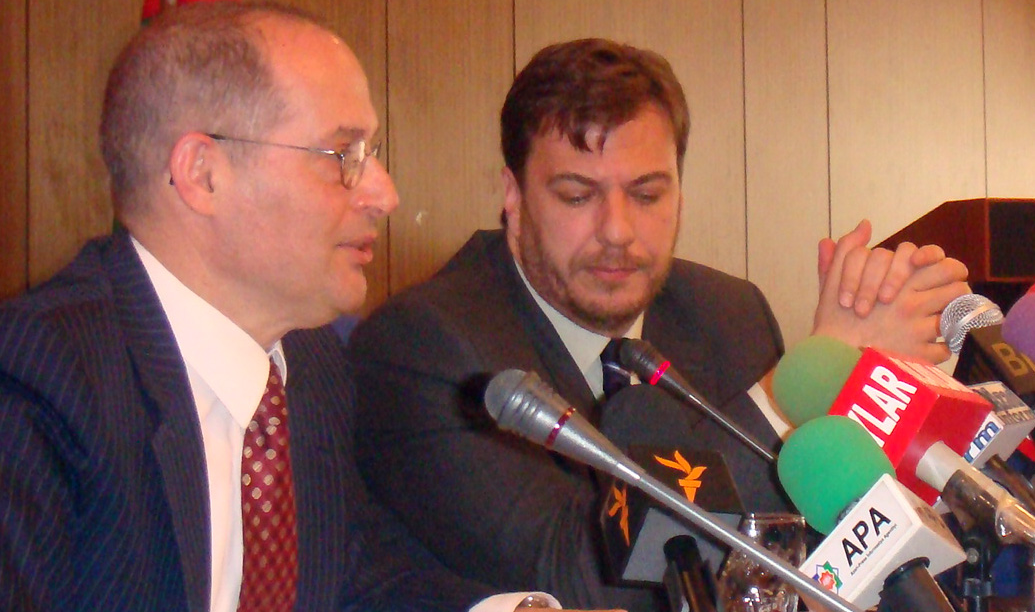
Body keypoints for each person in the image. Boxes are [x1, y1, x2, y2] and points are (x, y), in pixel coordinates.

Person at [0, 0, 599, 612]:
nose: (385, 193)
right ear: (203, 174)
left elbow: (357, 576)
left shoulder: (308, 362)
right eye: (344, 156)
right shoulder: (37, 377)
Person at [346, 38, 970, 612]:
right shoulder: (427, 348)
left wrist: (869, 390)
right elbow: (579, 581)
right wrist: (801, 386)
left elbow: (797, 552)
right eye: (577, 195)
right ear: (513, 195)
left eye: (647, 195)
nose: (618, 231)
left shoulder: (728, 314)